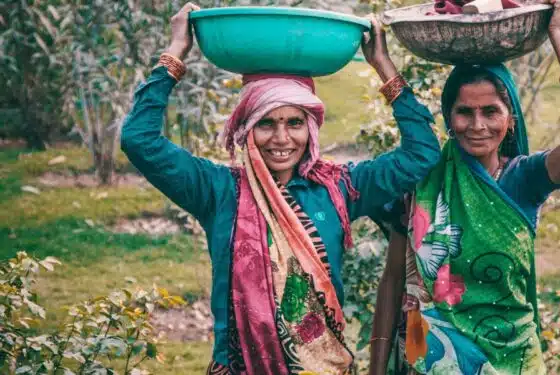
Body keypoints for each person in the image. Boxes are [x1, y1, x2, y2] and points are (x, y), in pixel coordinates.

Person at [120, 3, 440, 373]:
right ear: (245, 128)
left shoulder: (339, 188)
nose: (281, 138)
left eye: (294, 122)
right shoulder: (218, 191)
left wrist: (383, 64)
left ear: (311, 128)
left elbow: (421, 152)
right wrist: (176, 51)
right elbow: (138, 140)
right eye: (266, 123)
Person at [368, 0, 560, 373]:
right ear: (449, 118)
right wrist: (376, 367)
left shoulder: (525, 178)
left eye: (490, 111)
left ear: (510, 120)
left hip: (512, 359)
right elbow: (394, 277)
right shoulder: (424, 179)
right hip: (432, 359)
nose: (477, 125)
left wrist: (558, 36)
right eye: (465, 112)